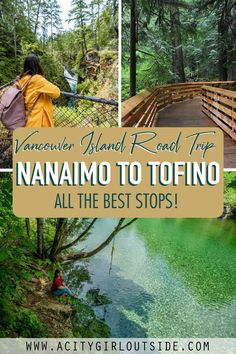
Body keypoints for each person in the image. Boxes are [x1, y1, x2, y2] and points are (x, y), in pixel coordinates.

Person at [19, 54, 60, 127]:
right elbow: (56, 93)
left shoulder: (22, 79)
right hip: (38, 120)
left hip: (25, 117)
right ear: (37, 65)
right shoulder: (37, 79)